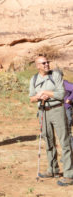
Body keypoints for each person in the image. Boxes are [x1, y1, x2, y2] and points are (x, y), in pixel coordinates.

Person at [29, 55, 73, 186]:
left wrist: (46, 93)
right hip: (43, 111)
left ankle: (69, 175)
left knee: (64, 142)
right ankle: (52, 169)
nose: (46, 65)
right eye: (43, 63)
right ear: (37, 66)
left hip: (58, 110)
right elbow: (31, 97)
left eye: (47, 62)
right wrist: (38, 97)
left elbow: (60, 94)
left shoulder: (56, 75)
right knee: (48, 140)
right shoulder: (34, 79)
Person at [63, 74, 73, 148]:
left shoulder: (64, 84)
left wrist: (69, 98)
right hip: (59, 111)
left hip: (66, 110)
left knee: (67, 132)